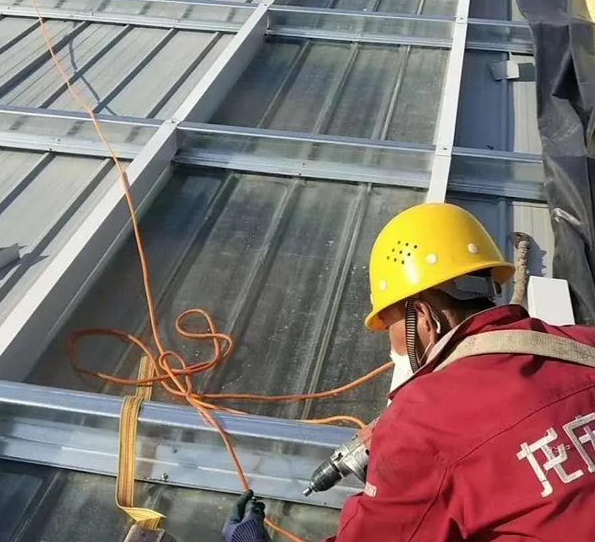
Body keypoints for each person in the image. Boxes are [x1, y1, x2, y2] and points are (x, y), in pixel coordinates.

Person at [224, 202, 595, 542]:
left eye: (391, 327)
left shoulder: (421, 423)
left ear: (423, 317)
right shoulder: (583, 344)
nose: (393, 346)